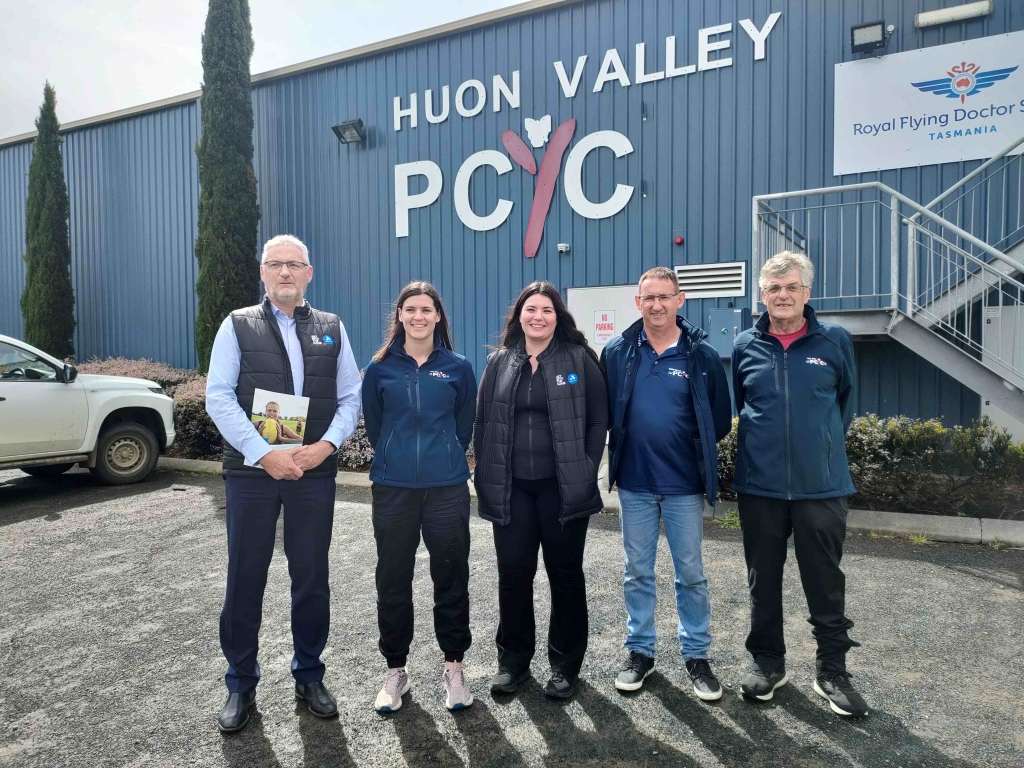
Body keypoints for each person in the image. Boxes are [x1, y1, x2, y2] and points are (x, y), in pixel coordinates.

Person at [205, 234, 361, 733]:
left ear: (309, 273)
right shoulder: (236, 325)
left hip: (313, 471)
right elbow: (218, 397)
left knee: (311, 575)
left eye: (295, 265)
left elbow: (351, 398)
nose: (286, 273)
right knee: (245, 576)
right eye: (277, 265)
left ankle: (309, 674)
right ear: (263, 272)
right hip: (252, 474)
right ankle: (240, 683)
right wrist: (263, 454)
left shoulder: (332, 328)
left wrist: (326, 447)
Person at [731, 251, 868, 717]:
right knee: (762, 582)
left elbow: (843, 407)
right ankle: (768, 663)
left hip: (822, 488)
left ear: (807, 292)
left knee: (825, 582)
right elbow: (741, 405)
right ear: (762, 294)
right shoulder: (746, 344)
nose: (782, 295)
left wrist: (821, 451)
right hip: (760, 488)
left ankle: (832, 671)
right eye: (773, 288)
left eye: (791, 286)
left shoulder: (834, 341)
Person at [600, 266, 732, 700]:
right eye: (648, 297)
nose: (656, 304)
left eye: (664, 296)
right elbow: (607, 412)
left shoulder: (702, 356)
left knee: (690, 574)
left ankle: (696, 656)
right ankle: (640, 653)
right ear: (638, 302)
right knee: (637, 572)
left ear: (680, 300)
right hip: (635, 484)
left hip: (683, 486)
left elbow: (717, 420)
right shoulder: (618, 352)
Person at [473, 281, 608, 700]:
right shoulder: (499, 363)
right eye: (531, 309)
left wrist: (586, 469)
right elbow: (482, 423)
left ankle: (565, 666)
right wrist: (484, 471)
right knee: (513, 575)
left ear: (558, 317)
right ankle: (513, 664)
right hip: (512, 489)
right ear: (519, 317)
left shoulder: (579, 359)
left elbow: (597, 421)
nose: (538, 317)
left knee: (565, 575)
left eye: (547, 310)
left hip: (563, 489)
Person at [361, 281, 477, 713]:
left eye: (427, 309)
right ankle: (396, 670)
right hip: (393, 489)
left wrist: (443, 454)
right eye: (411, 308)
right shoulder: (380, 368)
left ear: (438, 317)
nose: (419, 316)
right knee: (392, 579)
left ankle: (454, 667)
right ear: (401, 316)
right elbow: (376, 425)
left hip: (446, 488)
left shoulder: (459, 367)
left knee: (450, 576)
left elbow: (464, 423)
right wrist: (396, 456)